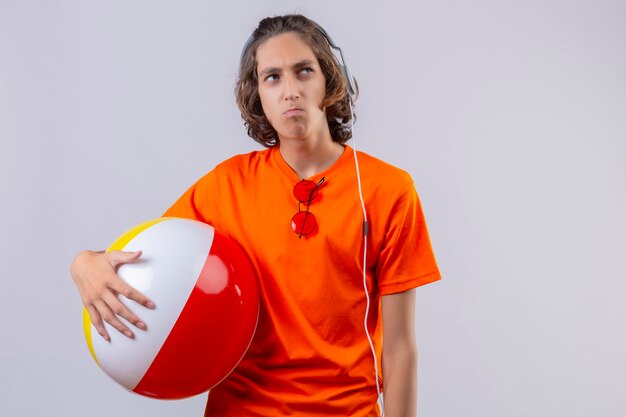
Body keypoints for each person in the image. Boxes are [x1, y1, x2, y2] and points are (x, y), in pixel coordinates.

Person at [71, 14, 441, 417]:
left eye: (304, 71)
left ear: (330, 81)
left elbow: (401, 348)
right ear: (258, 96)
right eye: (272, 77)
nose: (290, 91)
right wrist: (84, 263)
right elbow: (152, 262)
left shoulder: (389, 189)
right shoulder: (225, 185)